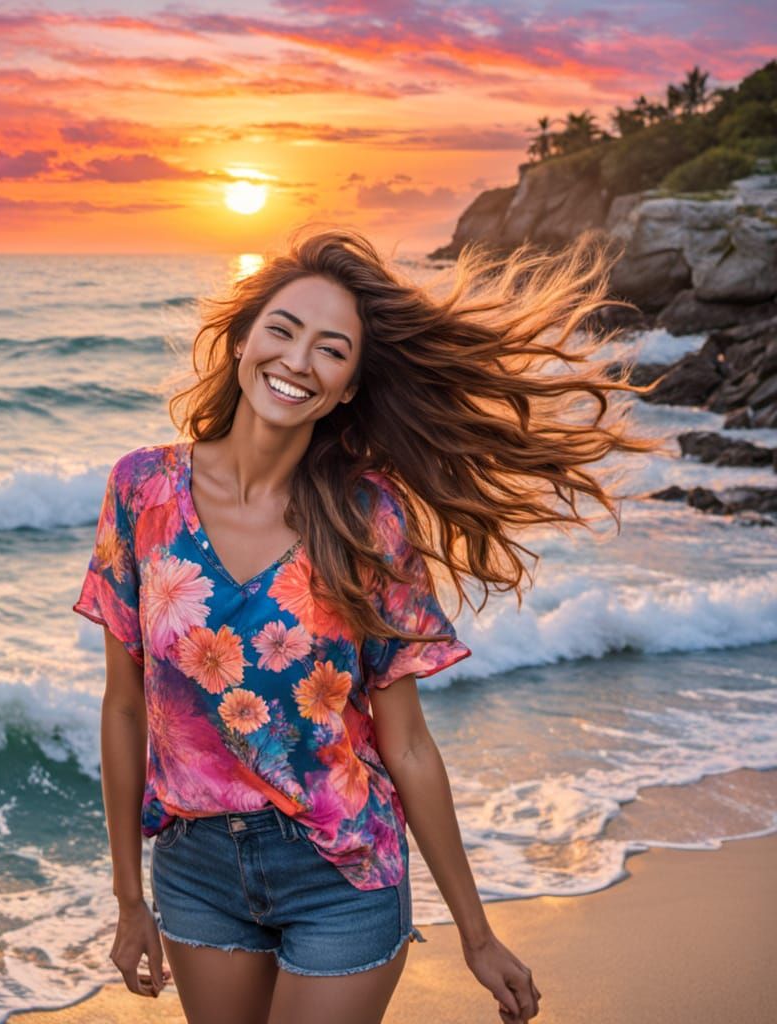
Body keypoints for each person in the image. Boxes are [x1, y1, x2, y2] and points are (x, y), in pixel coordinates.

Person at [73, 225, 654, 1024]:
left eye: (332, 349)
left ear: (348, 387)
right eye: (282, 330)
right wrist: (126, 896)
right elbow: (125, 705)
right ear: (242, 341)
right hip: (196, 869)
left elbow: (406, 741)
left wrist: (477, 934)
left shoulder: (366, 519)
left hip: (341, 870)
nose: (298, 360)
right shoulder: (141, 489)